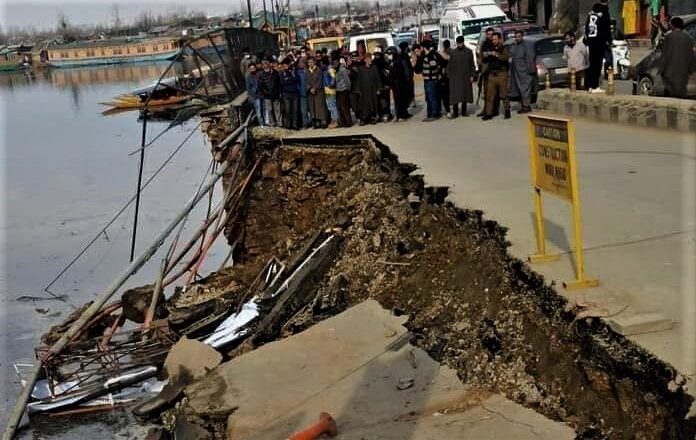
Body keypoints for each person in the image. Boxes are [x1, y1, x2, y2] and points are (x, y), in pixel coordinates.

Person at [659, 17, 695, 99]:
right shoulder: (687, 38)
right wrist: (691, 69)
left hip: (670, 72)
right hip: (683, 72)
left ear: (673, 25)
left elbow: (664, 55)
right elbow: (691, 55)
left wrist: (661, 70)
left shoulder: (669, 37)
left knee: (670, 97)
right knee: (680, 96)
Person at [481, 32, 511, 120]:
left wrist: (496, 54)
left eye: (495, 39)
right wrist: (486, 54)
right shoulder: (490, 47)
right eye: (492, 39)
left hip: (501, 73)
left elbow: (505, 57)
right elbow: (483, 56)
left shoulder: (504, 47)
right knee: (490, 95)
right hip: (492, 74)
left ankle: (507, 111)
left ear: (499, 39)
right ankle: (489, 113)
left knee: (504, 94)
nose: (493, 41)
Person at [584, 0, 612, 93]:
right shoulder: (604, 12)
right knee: (597, 64)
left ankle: (590, 86)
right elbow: (606, 27)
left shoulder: (591, 12)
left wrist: (587, 39)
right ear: (607, 1)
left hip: (591, 41)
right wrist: (609, 40)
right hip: (599, 41)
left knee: (592, 64)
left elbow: (586, 26)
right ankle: (595, 86)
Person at [447, 36, 476, 118]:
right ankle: (455, 112)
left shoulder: (468, 52)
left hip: (465, 76)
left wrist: (472, 75)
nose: (460, 45)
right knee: (455, 95)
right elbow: (449, 65)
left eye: (461, 43)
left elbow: (472, 64)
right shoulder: (453, 52)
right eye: (458, 43)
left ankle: (464, 111)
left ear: (463, 42)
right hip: (455, 77)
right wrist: (448, 74)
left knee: (465, 94)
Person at [509, 30, 535, 114]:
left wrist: (530, 70)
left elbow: (530, 58)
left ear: (522, 36)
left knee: (525, 89)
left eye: (519, 36)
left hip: (525, 71)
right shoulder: (514, 45)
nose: (517, 38)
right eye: (516, 36)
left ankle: (526, 106)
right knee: (518, 89)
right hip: (516, 72)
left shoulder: (527, 45)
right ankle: (523, 105)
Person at [415, 40, 442, 121]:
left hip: (431, 80)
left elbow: (434, 65)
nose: (420, 49)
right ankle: (429, 113)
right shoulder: (424, 56)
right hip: (426, 80)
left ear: (423, 47)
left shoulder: (430, 56)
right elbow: (417, 69)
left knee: (432, 97)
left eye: (421, 48)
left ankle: (435, 114)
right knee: (428, 98)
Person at [355, 55, 382, 125]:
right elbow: (359, 80)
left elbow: (378, 79)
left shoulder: (374, 68)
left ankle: (372, 118)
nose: (370, 60)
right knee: (364, 105)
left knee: (373, 104)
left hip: (373, 90)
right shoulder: (361, 69)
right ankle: (363, 119)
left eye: (370, 59)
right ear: (365, 60)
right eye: (368, 59)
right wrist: (358, 90)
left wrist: (379, 88)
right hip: (364, 90)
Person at [477, 28, 498, 117]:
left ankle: (494, 110)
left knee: (494, 92)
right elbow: (481, 55)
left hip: (493, 71)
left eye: (491, 34)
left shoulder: (495, 44)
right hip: (485, 71)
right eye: (488, 34)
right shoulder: (484, 43)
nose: (490, 36)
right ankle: (485, 109)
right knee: (485, 92)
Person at [391, 43, 413, 121]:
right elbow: (406, 70)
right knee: (401, 99)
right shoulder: (400, 59)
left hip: (396, 82)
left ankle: (400, 114)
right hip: (400, 82)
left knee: (398, 99)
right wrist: (408, 79)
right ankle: (402, 114)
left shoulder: (392, 61)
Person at [306, 57, 328, 128]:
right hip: (310, 92)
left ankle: (323, 121)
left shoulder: (319, 70)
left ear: (314, 62)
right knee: (313, 107)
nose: (310, 64)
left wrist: (315, 88)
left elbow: (320, 80)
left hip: (319, 91)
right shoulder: (307, 71)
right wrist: (310, 88)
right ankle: (316, 122)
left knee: (320, 106)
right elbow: (306, 82)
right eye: (309, 62)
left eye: (311, 62)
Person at [258, 59, 281, 126]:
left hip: (275, 94)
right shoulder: (261, 75)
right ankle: (272, 123)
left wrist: (279, 92)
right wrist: (264, 93)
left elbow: (278, 83)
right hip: (267, 95)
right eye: (264, 64)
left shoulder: (275, 72)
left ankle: (279, 123)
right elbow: (260, 86)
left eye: (266, 63)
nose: (265, 65)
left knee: (277, 110)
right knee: (269, 110)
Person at [373, 49, 393, 122]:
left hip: (384, 85)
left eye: (378, 54)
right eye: (376, 54)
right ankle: (380, 115)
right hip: (377, 86)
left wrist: (387, 84)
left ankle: (387, 114)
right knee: (378, 101)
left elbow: (388, 74)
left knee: (386, 101)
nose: (377, 56)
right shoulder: (373, 63)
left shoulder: (385, 63)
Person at [279, 59, 299, 130]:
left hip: (295, 93)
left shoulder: (293, 71)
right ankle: (288, 125)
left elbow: (296, 79)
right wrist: (290, 79)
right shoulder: (281, 72)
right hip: (286, 94)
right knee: (287, 110)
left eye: (286, 65)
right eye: (283, 65)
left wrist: (288, 79)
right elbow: (282, 82)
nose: (285, 67)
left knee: (295, 110)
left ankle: (295, 125)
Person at [335, 56, 353, 127]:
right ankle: (343, 122)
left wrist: (348, 88)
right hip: (338, 90)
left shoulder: (342, 69)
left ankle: (348, 122)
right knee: (339, 107)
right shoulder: (336, 69)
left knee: (344, 107)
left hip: (343, 90)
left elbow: (347, 80)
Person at [323, 57, 338, 128]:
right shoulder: (328, 70)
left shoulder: (330, 69)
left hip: (330, 91)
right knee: (330, 106)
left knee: (332, 106)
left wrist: (331, 85)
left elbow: (333, 78)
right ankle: (333, 120)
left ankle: (335, 121)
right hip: (328, 91)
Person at [296, 59, 310, 128]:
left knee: (311, 109)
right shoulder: (298, 72)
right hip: (302, 94)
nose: (299, 64)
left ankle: (312, 122)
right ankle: (305, 124)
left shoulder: (309, 71)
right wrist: (300, 90)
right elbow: (297, 83)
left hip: (310, 93)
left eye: (301, 63)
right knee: (303, 110)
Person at [438, 39, 451, 117]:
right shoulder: (453, 52)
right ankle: (450, 110)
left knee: (445, 95)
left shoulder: (441, 54)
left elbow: (440, 66)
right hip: (451, 76)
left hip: (444, 77)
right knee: (449, 94)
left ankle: (448, 110)